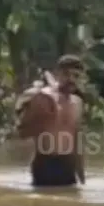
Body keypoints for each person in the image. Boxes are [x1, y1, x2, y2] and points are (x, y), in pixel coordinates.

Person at [16, 55, 86, 187]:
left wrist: (82, 176)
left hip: (67, 165)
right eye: (66, 74)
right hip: (45, 162)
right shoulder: (42, 98)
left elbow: (77, 141)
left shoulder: (78, 102)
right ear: (57, 74)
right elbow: (21, 132)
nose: (71, 79)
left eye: (76, 76)